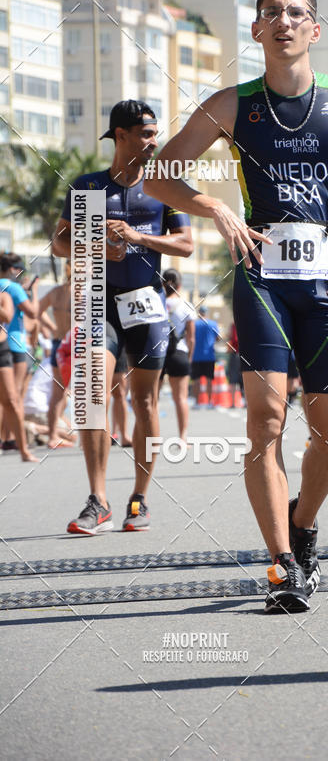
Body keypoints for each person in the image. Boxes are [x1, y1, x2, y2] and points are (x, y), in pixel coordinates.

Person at [144, 0, 328, 612]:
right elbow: (158, 177)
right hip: (261, 278)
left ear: (315, 30)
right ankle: (282, 564)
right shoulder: (230, 105)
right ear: (257, 28)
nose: (285, 21)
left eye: (297, 12)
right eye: (273, 12)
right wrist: (211, 203)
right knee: (264, 423)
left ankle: (303, 522)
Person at [51, 99, 193, 534]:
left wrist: (136, 237)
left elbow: (185, 244)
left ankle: (139, 499)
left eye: (155, 133)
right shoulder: (88, 187)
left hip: (146, 302)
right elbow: (59, 244)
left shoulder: (163, 185)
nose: (154, 141)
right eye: (146, 134)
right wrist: (94, 242)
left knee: (144, 401)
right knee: (93, 389)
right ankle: (98, 499)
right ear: (121, 136)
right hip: (98, 299)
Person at [0, 253, 39, 450]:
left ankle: (6, 437)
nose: (19, 272)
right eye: (17, 268)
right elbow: (32, 312)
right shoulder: (13, 288)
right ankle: (11, 439)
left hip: (5, 341)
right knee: (15, 397)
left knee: (5, 397)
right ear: (11, 269)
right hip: (15, 344)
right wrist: (34, 292)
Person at [37, 261, 72, 449]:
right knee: (89, 392)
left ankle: (52, 436)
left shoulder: (56, 292)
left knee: (57, 392)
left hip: (60, 342)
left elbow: (37, 311)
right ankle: (91, 436)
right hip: (77, 343)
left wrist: (51, 327)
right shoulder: (87, 291)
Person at [160, 268, 196, 440]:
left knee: (151, 399)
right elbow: (191, 337)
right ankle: (183, 437)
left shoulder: (157, 303)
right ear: (180, 286)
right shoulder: (186, 306)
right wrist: (189, 358)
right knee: (181, 398)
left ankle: (151, 436)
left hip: (157, 352)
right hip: (179, 352)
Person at [191, 306, 220, 407]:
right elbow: (218, 338)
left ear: (199, 313)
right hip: (209, 356)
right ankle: (209, 402)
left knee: (196, 380)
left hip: (196, 355)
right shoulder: (213, 324)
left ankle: (196, 402)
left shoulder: (194, 324)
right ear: (206, 313)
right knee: (209, 379)